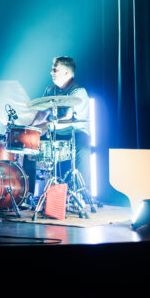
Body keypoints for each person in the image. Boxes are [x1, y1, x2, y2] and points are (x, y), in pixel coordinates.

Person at [27, 56, 92, 204]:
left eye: (55, 69)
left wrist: (47, 125)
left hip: (76, 131)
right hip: (57, 132)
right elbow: (42, 113)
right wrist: (31, 128)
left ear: (67, 73)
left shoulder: (78, 91)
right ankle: (27, 194)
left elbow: (69, 118)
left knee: (83, 147)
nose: (51, 72)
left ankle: (80, 194)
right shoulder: (50, 90)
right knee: (29, 147)